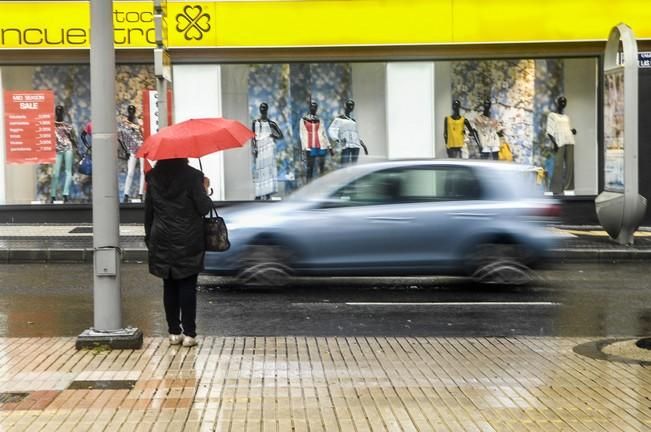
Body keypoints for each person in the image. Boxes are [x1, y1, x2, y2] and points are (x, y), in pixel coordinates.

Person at [144, 158, 213, 347]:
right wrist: (205, 187)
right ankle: (189, 334)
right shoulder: (193, 176)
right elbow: (203, 208)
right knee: (187, 285)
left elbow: (149, 211)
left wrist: (149, 237)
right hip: (187, 237)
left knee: (169, 285)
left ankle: (174, 332)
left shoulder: (153, 177)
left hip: (161, 237)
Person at [252, 102, 283, 200]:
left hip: (268, 148)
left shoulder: (271, 123)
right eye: (261, 107)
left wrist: (272, 135)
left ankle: (268, 192)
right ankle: (259, 193)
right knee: (260, 170)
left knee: (268, 170)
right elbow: (253, 137)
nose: (262, 109)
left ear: (267, 109)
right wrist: (254, 148)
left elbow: (280, 135)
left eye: (264, 107)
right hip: (260, 148)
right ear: (259, 109)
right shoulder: (255, 122)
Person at [547, 96, 577, 195]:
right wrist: (554, 143)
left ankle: (568, 188)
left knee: (570, 165)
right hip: (559, 142)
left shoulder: (566, 117)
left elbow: (566, 129)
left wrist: (572, 131)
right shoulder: (552, 115)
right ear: (558, 103)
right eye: (561, 101)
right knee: (558, 165)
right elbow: (549, 131)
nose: (563, 103)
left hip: (570, 140)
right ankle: (555, 190)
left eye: (565, 102)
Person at [50, 105, 77, 203]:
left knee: (68, 171)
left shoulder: (67, 125)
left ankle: (65, 194)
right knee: (55, 173)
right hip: (57, 150)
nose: (58, 112)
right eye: (57, 110)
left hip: (68, 148)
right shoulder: (51, 124)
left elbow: (71, 137)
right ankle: (52, 195)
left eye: (60, 110)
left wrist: (76, 147)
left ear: (63, 112)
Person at [328, 99, 368, 165]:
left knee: (354, 165)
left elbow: (356, 134)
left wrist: (363, 146)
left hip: (356, 145)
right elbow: (332, 129)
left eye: (352, 105)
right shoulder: (339, 119)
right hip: (346, 145)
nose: (351, 107)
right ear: (345, 106)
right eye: (349, 105)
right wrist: (337, 139)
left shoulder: (353, 121)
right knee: (344, 164)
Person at [299, 101, 333, 180]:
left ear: (317, 108)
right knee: (310, 167)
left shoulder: (320, 120)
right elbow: (301, 134)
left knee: (322, 168)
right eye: (312, 106)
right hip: (310, 147)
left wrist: (329, 146)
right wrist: (303, 148)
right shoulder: (303, 119)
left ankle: (321, 185)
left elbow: (324, 133)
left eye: (315, 107)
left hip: (321, 145)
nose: (313, 108)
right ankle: (308, 186)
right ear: (309, 108)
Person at [118, 105, 144, 203]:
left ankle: (141, 194)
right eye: (130, 110)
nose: (131, 112)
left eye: (133, 110)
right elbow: (121, 138)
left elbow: (143, 133)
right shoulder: (124, 123)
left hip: (142, 147)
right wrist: (125, 150)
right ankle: (126, 194)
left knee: (142, 171)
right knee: (130, 172)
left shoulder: (140, 122)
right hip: (132, 149)